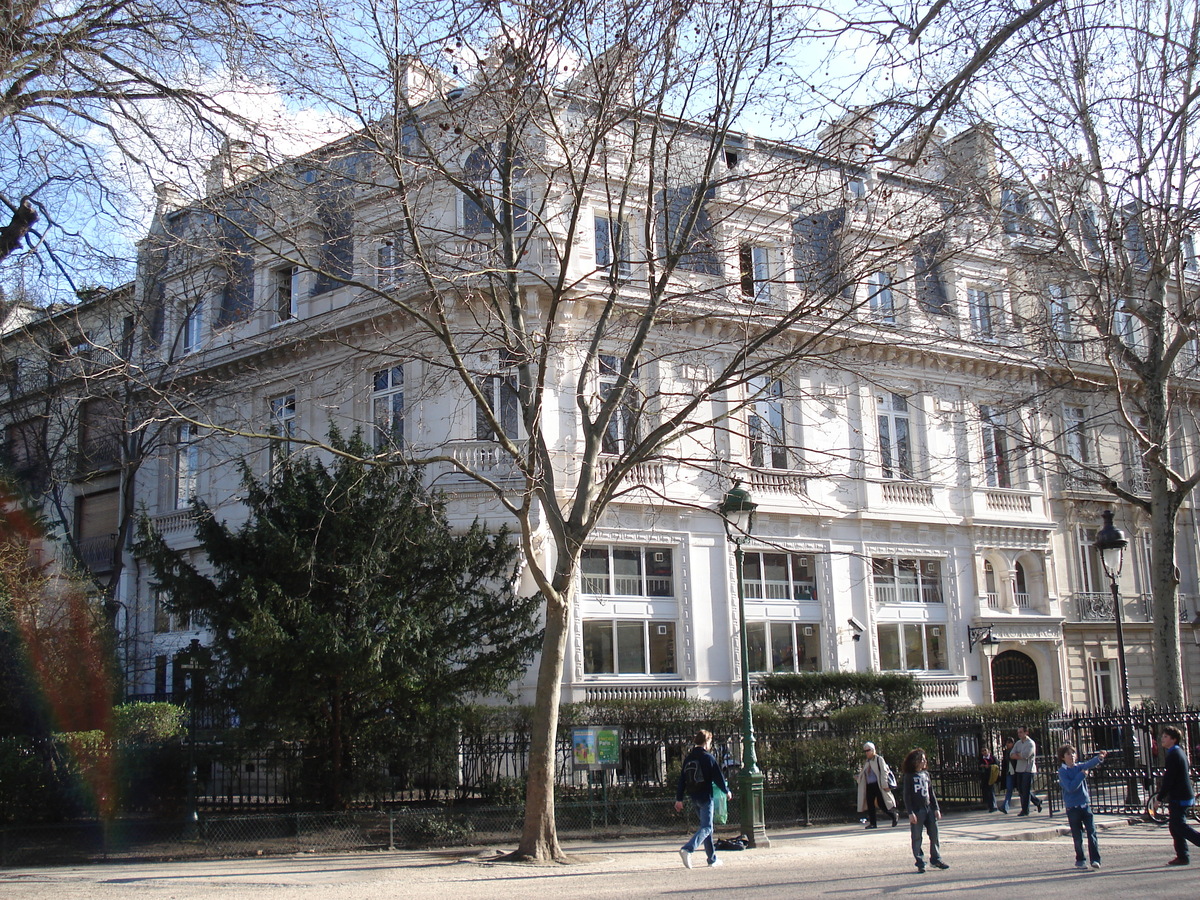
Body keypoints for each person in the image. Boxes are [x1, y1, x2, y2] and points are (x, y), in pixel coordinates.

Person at [674, 729, 731, 869]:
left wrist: (679, 799)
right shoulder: (708, 757)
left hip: (694, 796)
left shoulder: (689, 758)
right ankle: (688, 849)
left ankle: (711, 859)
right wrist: (727, 791)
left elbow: (682, 780)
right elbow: (718, 777)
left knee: (706, 829)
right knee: (706, 827)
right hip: (706, 796)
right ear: (707, 741)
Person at [1057, 744, 1107, 870]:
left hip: (1085, 805)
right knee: (1077, 835)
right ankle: (1080, 859)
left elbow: (1089, 764)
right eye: (1068, 754)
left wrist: (1099, 757)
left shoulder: (1079, 766)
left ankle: (1095, 859)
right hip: (1072, 807)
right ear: (1063, 757)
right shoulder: (1062, 771)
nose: (1072, 756)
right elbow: (1070, 787)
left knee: (1092, 832)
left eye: (1073, 753)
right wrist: (1081, 776)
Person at [1157, 725, 1200, 865]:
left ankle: (1186, 852)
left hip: (1180, 796)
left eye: (1165, 737)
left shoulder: (1174, 755)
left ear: (1174, 739)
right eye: (1162, 736)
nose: (1162, 739)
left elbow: (1169, 779)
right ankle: (1182, 856)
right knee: (1174, 826)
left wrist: (1159, 798)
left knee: (1179, 826)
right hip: (1182, 794)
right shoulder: (1178, 752)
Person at [902, 747, 949, 873]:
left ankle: (936, 858)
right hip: (917, 810)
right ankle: (920, 861)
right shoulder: (909, 776)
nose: (924, 762)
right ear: (915, 761)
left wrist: (936, 808)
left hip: (928, 808)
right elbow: (906, 796)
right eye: (921, 760)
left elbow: (931, 793)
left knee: (934, 835)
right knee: (917, 837)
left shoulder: (925, 774)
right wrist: (910, 812)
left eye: (924, 759)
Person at [855, 741, 899, 828]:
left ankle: (893, 815)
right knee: (870, 804)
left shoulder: (879, 759)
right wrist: (858, 777)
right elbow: (865, 773)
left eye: (868, 750)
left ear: (873, 750)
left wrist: (884, 784)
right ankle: (873, 823)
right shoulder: (867, 761)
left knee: (882, 804)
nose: (866, 753)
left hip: (878, 785)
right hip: (869, 785)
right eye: (865, 751)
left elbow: (884, 772)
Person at [1010, 725, 1043, 816]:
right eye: (1018, 732)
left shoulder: (1030, 743)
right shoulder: (1018, 743)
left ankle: (1025, 810)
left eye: (1021, 732)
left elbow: (1025, 755)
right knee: (1022, 790)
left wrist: (1018, 755)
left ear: (1026, 732)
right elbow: (1011, 754)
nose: (1019, 734)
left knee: (1025, 790)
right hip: (1019, 769)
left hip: (1028, 770)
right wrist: (1018, 755)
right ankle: (1037, 802)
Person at [998, 736, 1018, 813]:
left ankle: (1036, 801)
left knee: (1023, 790)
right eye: (1007, 743)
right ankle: (1005, 806)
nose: (1007, 744)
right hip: (1009, 772)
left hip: (1016, 772)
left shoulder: (1015, 751)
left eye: (1009, 743)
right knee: (1009, 790)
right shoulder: (1006, 752)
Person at [979, 746, 999, 812]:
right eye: (982, 751)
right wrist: (982, 766)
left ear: (988, 751)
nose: (984, 752)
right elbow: (979, 765)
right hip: (985, 777)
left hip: (991, 776)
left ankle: (993, 806)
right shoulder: (981, 759)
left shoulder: (992, 758)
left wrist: (989, 766)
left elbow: (997, 765)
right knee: (987, 791)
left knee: (991, 790)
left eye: (985, 750)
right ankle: (990, 806)